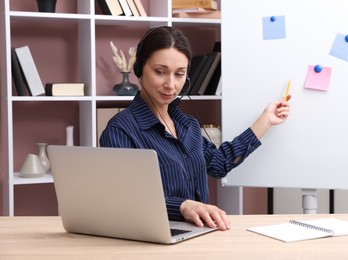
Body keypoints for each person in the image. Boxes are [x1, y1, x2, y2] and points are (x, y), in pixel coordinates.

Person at [100, 26, 291, 231]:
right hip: (151, 239)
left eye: (179, 74)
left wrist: (266, 120)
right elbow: (127, 198)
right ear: (139, 70)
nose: (171, 84)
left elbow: (220, 164)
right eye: (160, 72)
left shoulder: (187, 125)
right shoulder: (120, 130)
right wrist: (183, 206)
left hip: (196, 234)